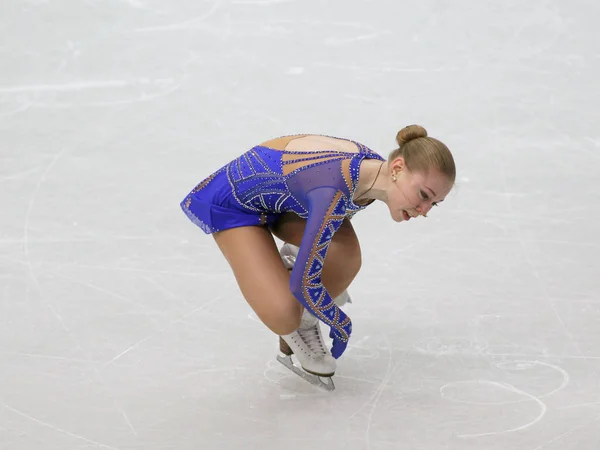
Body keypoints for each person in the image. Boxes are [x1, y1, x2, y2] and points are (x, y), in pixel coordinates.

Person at [180, 125, 456, 382]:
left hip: (285, 203)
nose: (425, 211)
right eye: (423, 195)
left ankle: (293, 279)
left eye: (435, 203)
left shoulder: (371, 176)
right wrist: (341, 324)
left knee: (345, 259)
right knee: (285, 315)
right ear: (397, 167)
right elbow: (305, 284)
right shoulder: (332, 189)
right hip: (234, 207)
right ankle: (286, 294)